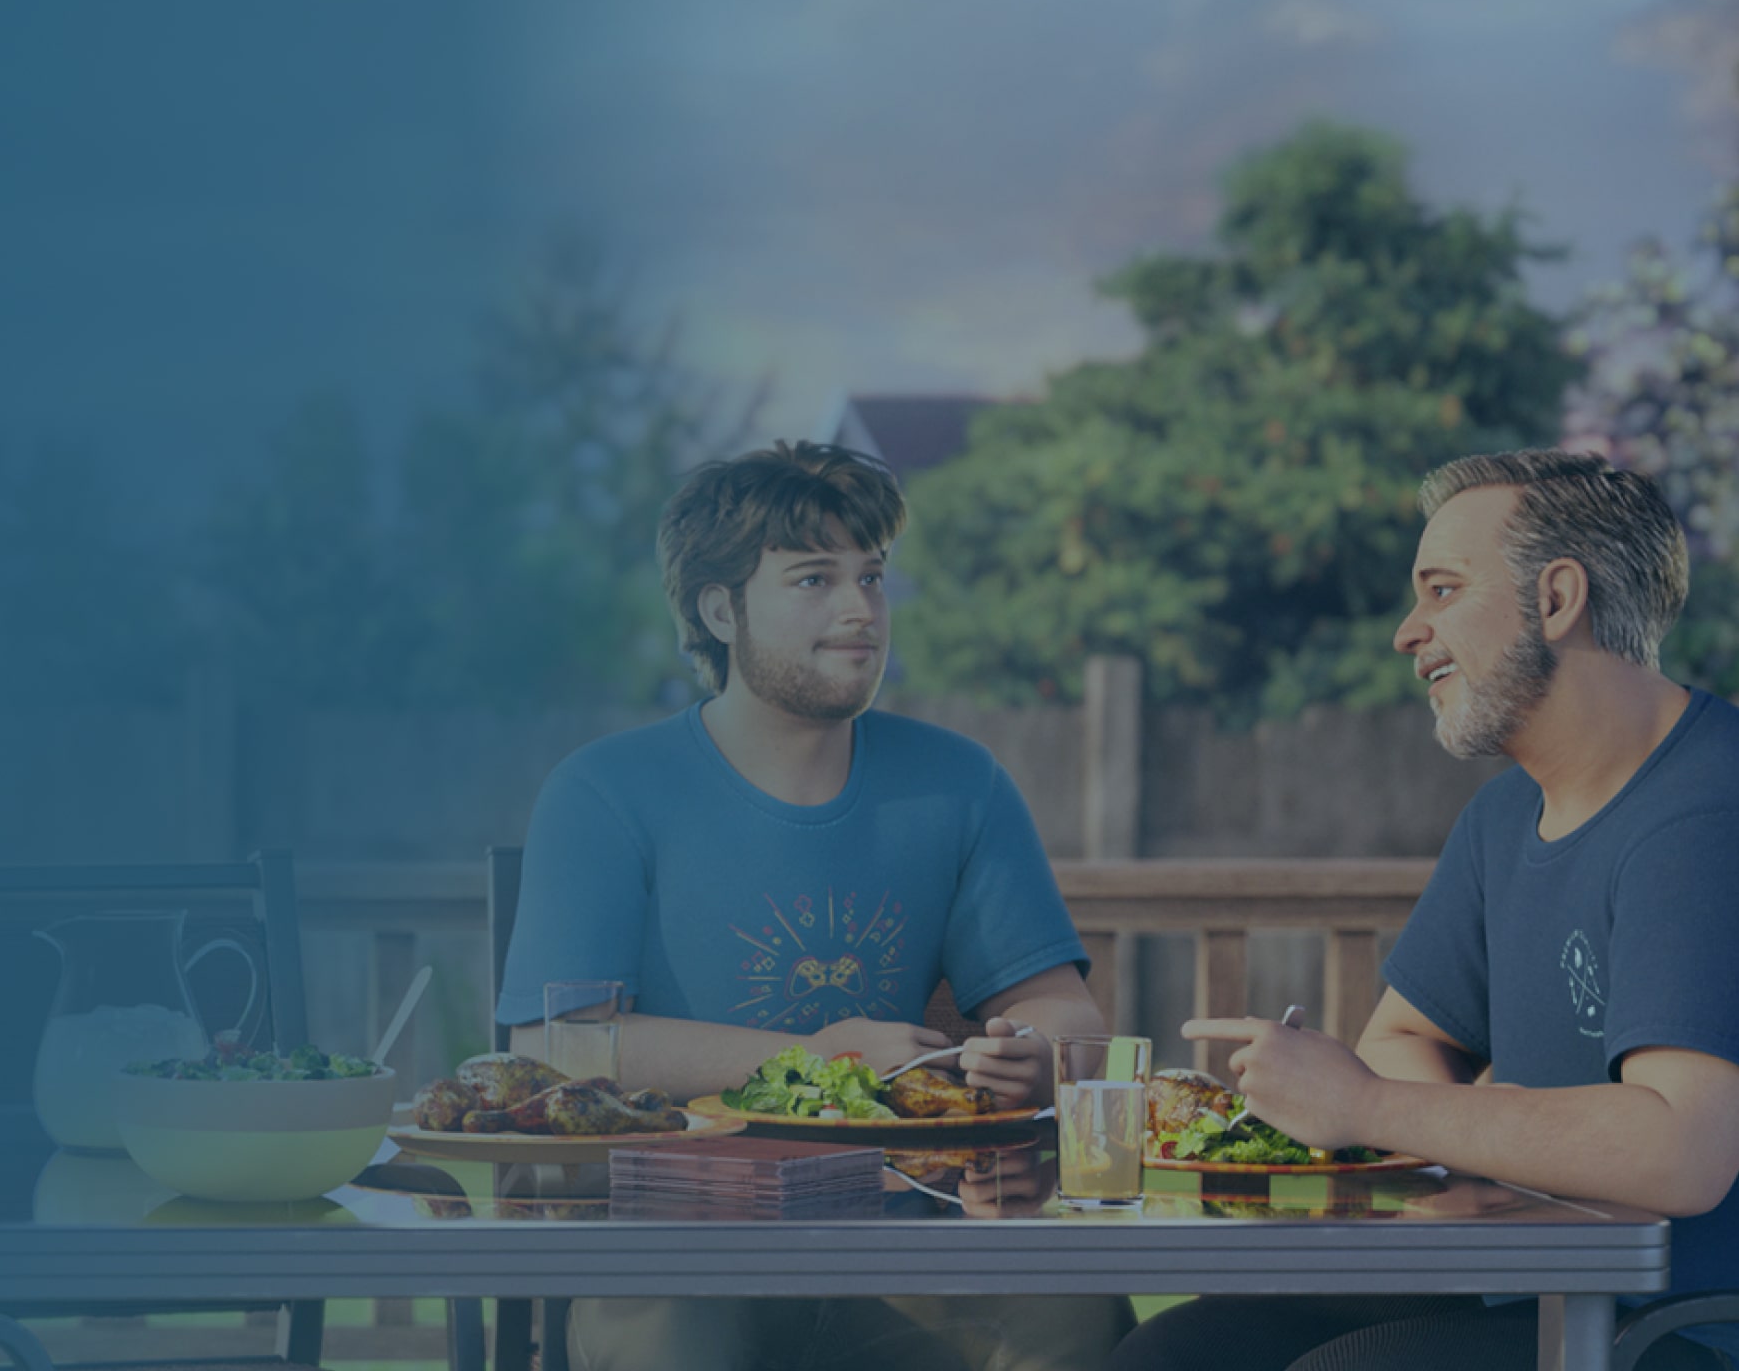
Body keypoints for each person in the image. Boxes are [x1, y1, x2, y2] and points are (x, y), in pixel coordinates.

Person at [496, 440, 1122, 1371]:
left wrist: (1034, 1056)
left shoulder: (960, 785)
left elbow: (1065, 1013)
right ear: (721, 607)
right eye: (813, 579)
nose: (860, 610)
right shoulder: (604, 792)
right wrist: (816, 1059)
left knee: (1070, 1309)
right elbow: (553, 1044)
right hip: (677, 1253)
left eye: (871, 577)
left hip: (915, 1234)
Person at [1113, 450, 1739, 1371]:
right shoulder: (1504, 814)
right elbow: (1403, 1039)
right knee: (1175, 1355)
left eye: (1442, 590)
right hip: (1525, 1281)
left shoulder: (1708, 808)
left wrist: (1371, 1106)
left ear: (1558, 599)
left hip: (1678, 1325)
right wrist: (1484, 1125)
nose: (1410, 632)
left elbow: (1683, 1151)